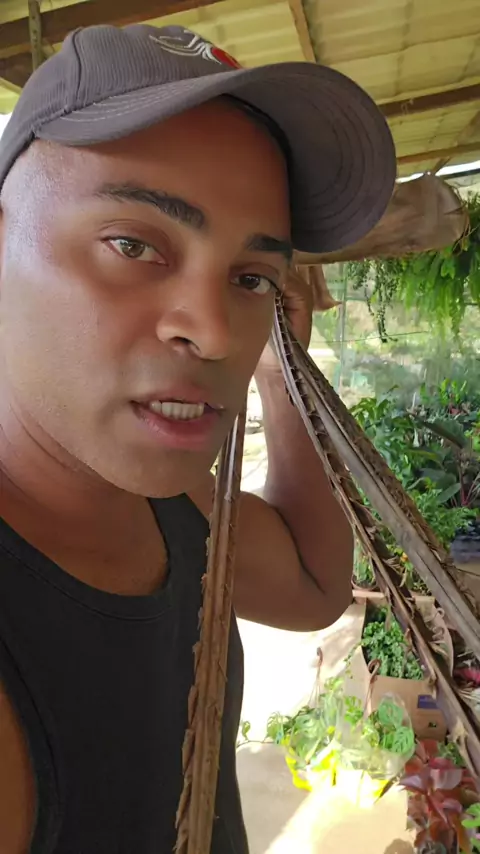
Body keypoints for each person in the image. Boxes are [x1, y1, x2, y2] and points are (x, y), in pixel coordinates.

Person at [0, 22, 395, 854]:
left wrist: (281, 369)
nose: (215, 332)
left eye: (251, 277)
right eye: (133, 244)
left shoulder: (168, 505)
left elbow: (314, 587)